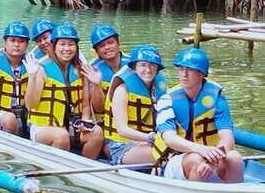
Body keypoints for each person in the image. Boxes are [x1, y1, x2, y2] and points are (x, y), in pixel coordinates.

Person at [153, 48, 243, 183]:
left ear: (201, 74)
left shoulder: (217, 99)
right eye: (181, 69)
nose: (184, 74)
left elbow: (227, 138)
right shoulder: (167, 99)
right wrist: (202, 150)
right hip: (177, 160)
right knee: (196, 159)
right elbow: (169, 138)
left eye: (189, 70)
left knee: (235, 158)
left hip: (211, 159)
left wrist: (212, 159)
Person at [24, 23, 103, 157]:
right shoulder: (42, 69)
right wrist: (32, 76)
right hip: (43, 128)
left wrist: (85, 121)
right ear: (54, 46)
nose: (67, 48)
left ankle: (83, 171)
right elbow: (30, 104)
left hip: (72, 127)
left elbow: (85, 106)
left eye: (71, 44)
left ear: (76, 47)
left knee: (97, 132)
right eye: (62, 44)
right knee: (61, 136)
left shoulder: (80, 70)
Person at [101, 45, 167, 165]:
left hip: (148, 142)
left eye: (152, 65)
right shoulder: (122, 90)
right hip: (122, 146)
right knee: (165, 151)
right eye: (143, 65)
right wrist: (152, 137)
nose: (148, 70)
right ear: (134, 68)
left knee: (175, 146)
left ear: (157, 69)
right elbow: (122, 130)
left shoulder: (158, 89)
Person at [87, 24, 127, 119]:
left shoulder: (135, 64)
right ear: (96, 51)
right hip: (105, 118)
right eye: (101, 45)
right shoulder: (92, 69)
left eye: (110, 43)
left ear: (118, 43)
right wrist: (96, 85)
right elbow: (99, 109)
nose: (107, 47)